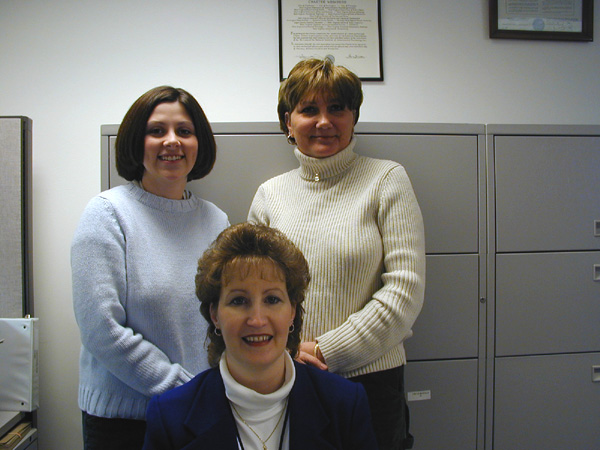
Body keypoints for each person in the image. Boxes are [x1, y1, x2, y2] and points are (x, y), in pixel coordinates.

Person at [248, 58, 426, 450]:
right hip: (287, 377)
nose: (324, 121)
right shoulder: (269, 194)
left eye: (337, 108)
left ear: (353, 116)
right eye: (309, 109)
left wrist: (323, 351)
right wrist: (287, 353)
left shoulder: (386, 179)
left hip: (371, 384)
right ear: (287, 122)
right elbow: (254, 293)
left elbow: (404, 292)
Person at [71, 86, 229, 450]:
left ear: (199, 143)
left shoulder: (215, 220)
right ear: (135, 141)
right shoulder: (107, 213)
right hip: (125, 422)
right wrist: (182, 389)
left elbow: (222, 316)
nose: (171, 141)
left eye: (184, 131)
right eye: (156, 131)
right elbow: (101, 329)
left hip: (197, 413)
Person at [142, 222, 379, 450]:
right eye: (238, 301)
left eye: (272, 300)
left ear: (292, 311)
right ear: (215, 314)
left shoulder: (344, 404)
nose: (256, 320)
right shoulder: (171, 416)